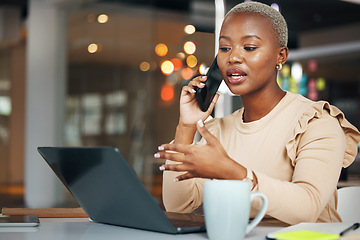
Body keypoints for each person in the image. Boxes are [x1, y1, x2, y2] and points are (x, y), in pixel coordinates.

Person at [154, 1, 360, 225]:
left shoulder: (316, 122)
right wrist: (186, 126)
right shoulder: (219, 131)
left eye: (249, 47)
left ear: (281, 56)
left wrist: (234, 172)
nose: (233, 57)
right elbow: (179, 205)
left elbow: (307, 208)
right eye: (224, 48)